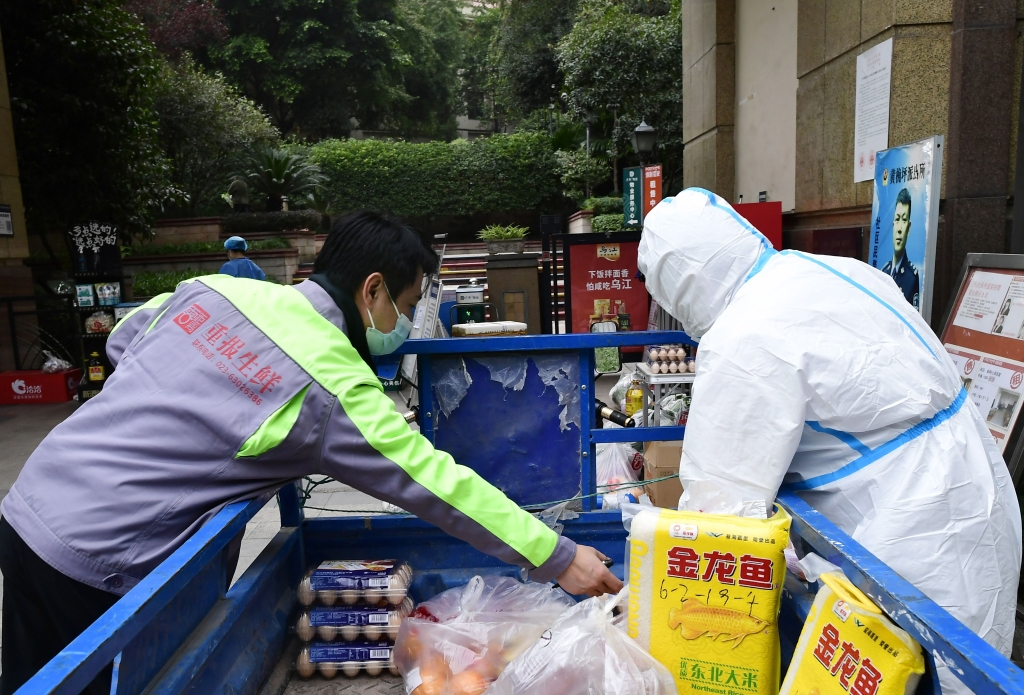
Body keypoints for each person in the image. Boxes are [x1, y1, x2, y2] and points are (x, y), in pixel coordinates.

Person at [0, 212, 621, 694]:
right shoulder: (331, 381)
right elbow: (434, 480)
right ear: (372, 291)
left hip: (32, 502)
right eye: (405, 310)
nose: (404, 325)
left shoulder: (214, 290)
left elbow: (126, 337)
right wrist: (557, 555)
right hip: (99, 558)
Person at [638, 188, 1021, 695]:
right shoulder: (827, 270)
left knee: (931, 669)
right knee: (981, 658)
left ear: (679, 285)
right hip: (979, 478)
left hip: (911, 526)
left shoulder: (743, 338)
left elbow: (721, 507)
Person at [880, 187, 920, 308]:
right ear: (893, 225)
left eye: (904, 220)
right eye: (897, 219)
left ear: (909, 227)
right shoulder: (884, 272)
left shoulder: (911, 277)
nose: (899, 228)